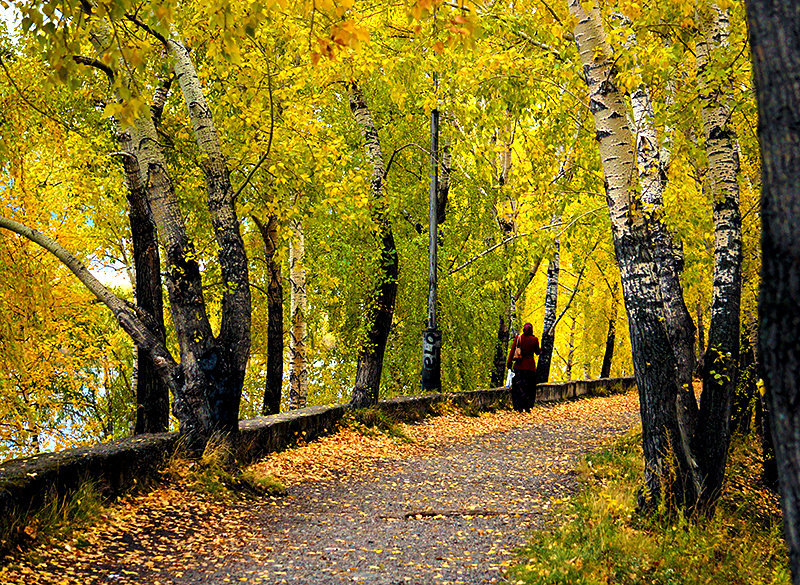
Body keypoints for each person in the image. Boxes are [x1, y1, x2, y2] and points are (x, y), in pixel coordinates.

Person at [506, 322, 541, 412]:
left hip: (519, 367)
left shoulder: (518, 338)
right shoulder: (534, 340)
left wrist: (509, 363)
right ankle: (528, 406)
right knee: (529, 388)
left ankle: (518, 406)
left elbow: (512, 351)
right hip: (530, 368)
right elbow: (537, 352)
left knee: (518, 387)